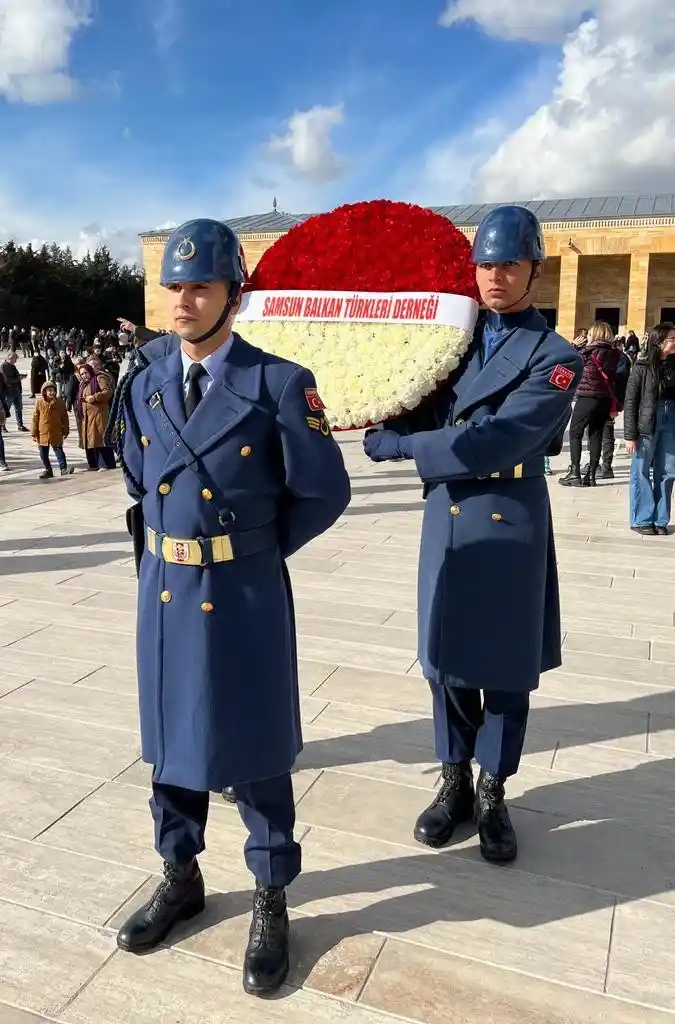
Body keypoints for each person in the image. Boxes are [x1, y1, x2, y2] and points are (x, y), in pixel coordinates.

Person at [109, 219, 350, 996]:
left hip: (241, 590)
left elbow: (323, 489)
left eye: (200, 286)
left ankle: (271, 893)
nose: (182, 300)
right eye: (174, 286)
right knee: (170, 740)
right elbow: (139, 477)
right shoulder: (144, 379)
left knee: (254, 743)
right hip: (166, 587)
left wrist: (254, 549)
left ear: (232, 296)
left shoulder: (278, 383)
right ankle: (179, 872)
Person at [363, 205, 582, 864]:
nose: (493, 276)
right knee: (446, 661)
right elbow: (412, 397)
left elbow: (498, 437)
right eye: (484, 263)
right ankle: (453, 778)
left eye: (507, 263)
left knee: (506, 668)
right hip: (448, 515)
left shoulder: (555, 356)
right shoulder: (449, 341)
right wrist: (370, 406)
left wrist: (404, 449)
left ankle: (493, 790)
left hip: (508, 512)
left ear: (533, 272)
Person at [623, 322, 675, 535]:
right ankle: (642, 518)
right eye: (672, 338)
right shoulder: (641, 366)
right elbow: (630, 401)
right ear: (659, 341)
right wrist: (629, 435)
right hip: (647, 422)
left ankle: (661, 520)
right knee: (642, 470)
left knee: (669, 471)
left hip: (671, 419)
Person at [559, 320, 620, 487]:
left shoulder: (587, 352)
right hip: (605, 398)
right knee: (596, 435)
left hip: (587, 396)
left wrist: (573, 346)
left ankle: (575, 473)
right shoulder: (615, 353)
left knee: (575, 433)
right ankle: (591, 475)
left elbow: (565, 363)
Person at [76, 363, 116, 470]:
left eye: (85, 373)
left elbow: (107, 391)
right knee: (93, 441)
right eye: (82, 374)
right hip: (88, 417)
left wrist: (95, 397)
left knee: (101, 440)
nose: (84, 376)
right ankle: (96, 464)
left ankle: (106, 464)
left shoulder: (98, 378)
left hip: (99, 415)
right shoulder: (83, 384)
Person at [31, 381, 74, 479]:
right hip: (43, 432)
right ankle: (48, 470)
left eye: (53, 390)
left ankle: (63, 468)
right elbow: (35, 418)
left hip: (56, 431)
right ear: (44, 392)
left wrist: (66, 430)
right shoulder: (39, 402)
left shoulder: (60, 402)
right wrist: (34, 432)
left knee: (59, 450)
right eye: (49, 390)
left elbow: (64, 417)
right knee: (43, 453)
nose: (51, 392)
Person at [0, 352, 28, 431]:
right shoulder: (3, 366)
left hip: (17, 391)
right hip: (9, 392)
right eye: (15, 359)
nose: (16, 361)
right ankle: (2, 426)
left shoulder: (12, 366)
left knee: (19, 409)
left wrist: (21, 376)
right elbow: (7, 380)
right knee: (6, 410)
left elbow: (14, 376)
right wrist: (19, 378)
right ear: (10, 358)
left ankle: (20, 425)